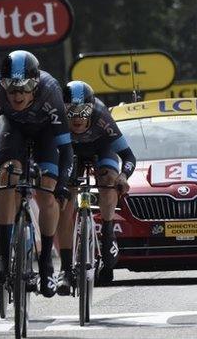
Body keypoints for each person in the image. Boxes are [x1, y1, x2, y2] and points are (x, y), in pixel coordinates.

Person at [0, 50, 73, 298]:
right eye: (11, 88)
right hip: (12, 128)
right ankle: (4, 259)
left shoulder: (51, 91)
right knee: (7, 176)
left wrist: (62, 182)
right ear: (2, 84)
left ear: (35, 85)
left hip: (45, 134)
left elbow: (66, 148)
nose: (17, 95)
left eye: (24, 87)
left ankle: (47, 265)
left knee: (48, 190)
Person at [55, 81, 136, 293]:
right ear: (63, 109)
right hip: (70, 152)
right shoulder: (57, 118)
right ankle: (65, 269)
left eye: (84, 111)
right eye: (71, 111)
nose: (79, 116)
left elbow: (128, 156)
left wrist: (124, 176)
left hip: (101, 148)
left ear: (92, 109)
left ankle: (108, 232)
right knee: (65, 199)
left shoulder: (102, 117)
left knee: (109, 180)